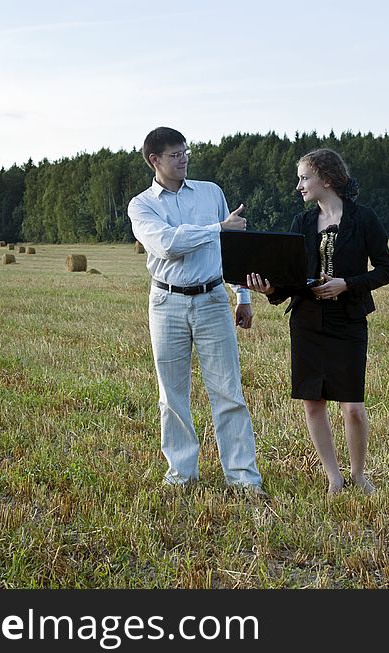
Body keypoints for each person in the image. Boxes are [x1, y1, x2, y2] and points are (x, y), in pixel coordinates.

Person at [246, 148, 389, 495]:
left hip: (348, 319)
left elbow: (386, 270)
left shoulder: (364, 218)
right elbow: (292, 276)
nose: (299, 186)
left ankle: (358, 474)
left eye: (304, 177)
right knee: (313, 402)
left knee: (353, 407)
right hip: (307, 320)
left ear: (326, 179)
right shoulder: (302, 223)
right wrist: (271, 289)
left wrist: (348, 283)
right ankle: (334, 478)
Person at [127, 126, 264, 494]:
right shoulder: (142, 205)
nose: (183, 158)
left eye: (186, 152)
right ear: (155, 160)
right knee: (171, 396)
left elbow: (231, 248)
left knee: (228, 391)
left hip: (212, 299)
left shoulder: (210, 192)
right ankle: (181, 476)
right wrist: (217, 227)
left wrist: (243, 296)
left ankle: (243, 479)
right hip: (166, 303)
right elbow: (167, 245)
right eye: (175, 154)